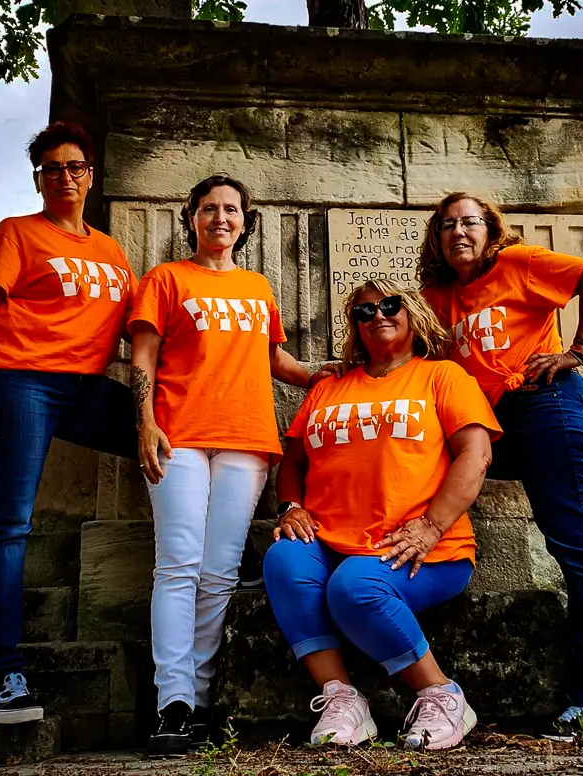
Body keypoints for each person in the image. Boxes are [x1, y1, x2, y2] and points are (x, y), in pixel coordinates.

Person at [129, 174, 335, 756]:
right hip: (180, 435)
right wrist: (144, 421)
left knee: (219, 572)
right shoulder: (166, 279)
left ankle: (197, 699)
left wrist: (320, 374)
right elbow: (142, 355)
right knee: (178, 563)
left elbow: (272, 357)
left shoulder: (256, 285)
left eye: (232, 210)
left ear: (245, 223)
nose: (221, 217)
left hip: (247, 440)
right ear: (190, 217)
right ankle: (171, 701)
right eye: (209, 208)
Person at [419, 191, 583, 743]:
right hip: (488, 424)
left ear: (490, 231)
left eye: (470, 222)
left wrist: (578, 351)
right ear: (436, 239)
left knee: (578, 548)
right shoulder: (436, 297)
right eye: (447, 225)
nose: (459, 232)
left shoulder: (518, 263)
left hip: (546, 406)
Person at [262, 280, 500, 751]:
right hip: (330, 539)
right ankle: (342, 699)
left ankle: (442, 694)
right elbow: (293, 459)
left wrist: (431, 526)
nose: (378, 316)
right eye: (364, 311)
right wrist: (291, 506)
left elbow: (475, 455)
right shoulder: (330, 387)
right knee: (283, 560)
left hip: (421, 548)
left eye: (390, 306)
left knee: (354, 586)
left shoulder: (443, 377)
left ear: (412, 314)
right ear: (355, 324)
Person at [0, 122, 139, 725]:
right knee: (8, 524)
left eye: (76, 167)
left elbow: (135, 331)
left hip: (84, 388)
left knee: (171, 433)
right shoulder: (17, 234)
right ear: (38, 178)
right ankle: (2, 674)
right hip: (18, 382)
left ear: (91, 175)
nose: (65, 177)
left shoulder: (111, 251)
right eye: (52, 168)